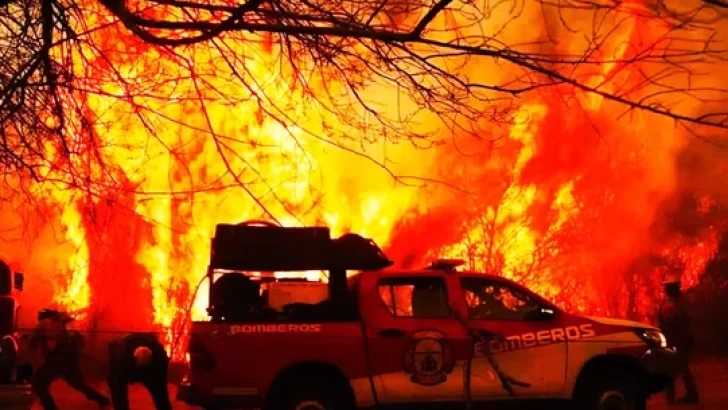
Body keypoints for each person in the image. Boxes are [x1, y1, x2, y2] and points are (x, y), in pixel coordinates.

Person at [29, 308, 110, 410]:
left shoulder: (43, 323)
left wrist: (34, 339)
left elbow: (32, 343)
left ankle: (50, 408)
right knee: (78, 384)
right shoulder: (64, 324)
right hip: (69, 359)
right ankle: (102, 400)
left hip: (56, 359)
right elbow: (81, 343)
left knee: (39, 382)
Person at [657, 275, 699, 405]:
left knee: (682, 368)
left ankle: (691, 395)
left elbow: (688, 321)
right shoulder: (666, 302)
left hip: (681, 339)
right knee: (669, 368)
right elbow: (661, 318)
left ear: (675, 288)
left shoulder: (684, 302)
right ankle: (671, 398)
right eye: (666, 287)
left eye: (668, 287)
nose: (666, 290)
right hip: (669, 339)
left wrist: (687, 338)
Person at [108, 332, 172, 410]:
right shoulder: (120, 357)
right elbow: (118, 391)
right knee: (119, 393)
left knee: (161, 396)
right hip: (126, 365)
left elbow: (161, 386)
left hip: (151, 370)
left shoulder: (159, 355)